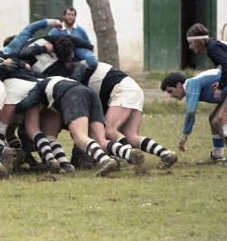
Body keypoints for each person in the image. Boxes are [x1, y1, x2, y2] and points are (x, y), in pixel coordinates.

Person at [16, 76, 145, 177]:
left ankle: (106, 161)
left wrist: (14, 109)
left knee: (80, 136)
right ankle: (129, 153)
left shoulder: (38, 86)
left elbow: (28, 102)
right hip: (90, 94)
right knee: (101, 141)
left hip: (73, 95)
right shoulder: (59, 80)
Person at [72, 62, 178, 169]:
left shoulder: (79, 71)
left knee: (110, 130)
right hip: (134, 90)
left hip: (123, 90)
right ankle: (166, 154)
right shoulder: (87, 65)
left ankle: (128, 157)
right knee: (131, 136)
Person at [186, 23, 227, 167]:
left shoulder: (213, 48)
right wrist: (224, 82)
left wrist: (221, 87)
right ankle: (220, 155)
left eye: (190, 43)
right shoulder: (215, 45)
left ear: (198, 41)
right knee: (217, 119)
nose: (190, 47)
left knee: (222, 118)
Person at [161, 70, 227, 164]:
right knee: (213, 119)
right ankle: (217, 156)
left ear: (179, 85)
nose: (171, 96)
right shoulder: (193, 83)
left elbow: (191, 111)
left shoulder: (191, 84)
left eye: (170, 91)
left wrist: (185, 135)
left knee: (218, 120)